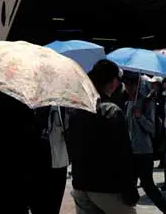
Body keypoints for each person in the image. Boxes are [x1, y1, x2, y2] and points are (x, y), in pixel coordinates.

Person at [68, 59, 140, 214]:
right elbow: (123, 154)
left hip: (80, 185)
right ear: (113, 82)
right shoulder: (112, 112)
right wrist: (130, 188)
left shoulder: (77, 110)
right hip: (106, 188)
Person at [123, 75, 166, 214]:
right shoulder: (128, 103)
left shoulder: (147, 103)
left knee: (147, 185)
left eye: (131, 84)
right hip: (130, 151)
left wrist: (140, 117)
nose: (128, 88)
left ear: (137, 85)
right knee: (129, 184)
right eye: (126, 84)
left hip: (144, 150)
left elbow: (151, 128)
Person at [31, 105, 69, 214]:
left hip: (58, 162)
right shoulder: (33, 107)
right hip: (39, 163)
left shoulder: (62, 107)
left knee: (52, 206)